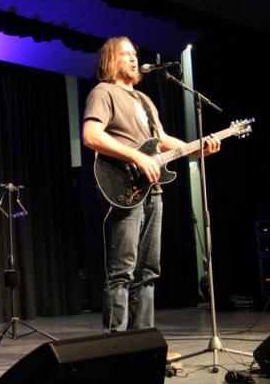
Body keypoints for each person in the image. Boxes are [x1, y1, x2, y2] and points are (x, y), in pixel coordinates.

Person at [82, 36, 221, 331]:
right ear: (110, 60)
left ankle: (144, 342)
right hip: (123, 188)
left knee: (148, 272)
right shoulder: (103, 92)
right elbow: (92, 136)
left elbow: (162, 141)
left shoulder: (144, 100)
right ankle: (116, 345)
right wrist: (136, 156)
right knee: (122, 271)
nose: (133, 59)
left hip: (153, 190)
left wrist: (197, 147)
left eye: (134, 54)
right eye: (125, 54)